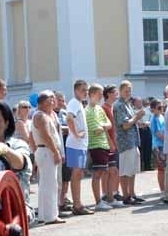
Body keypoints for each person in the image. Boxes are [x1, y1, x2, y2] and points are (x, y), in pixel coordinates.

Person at [32, 91, 65, 224]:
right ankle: (51, 216)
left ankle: (44, 215)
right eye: (51, 100)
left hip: (44, 151)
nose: (54, 102)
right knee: (50, 184)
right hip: (46, 151)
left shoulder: (41, 115)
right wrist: (55, 152)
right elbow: (46, 136)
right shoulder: (41, 116)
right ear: (45, 102)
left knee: (46, 184)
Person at [113, 80, 145, 205]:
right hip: (125, 142)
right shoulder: (119, 105)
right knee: (126, 171)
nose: (128, 93)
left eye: (130, 90)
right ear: (120, 91)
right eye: (126, 90)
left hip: (132, 141)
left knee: (132, 170)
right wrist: (137, 117)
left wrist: (137, 120)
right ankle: (126, 196)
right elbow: (125, 125)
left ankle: (132, 194)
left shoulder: (127, 104)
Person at [65, 80, 93, 215]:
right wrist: (76, 134)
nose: (85, 93)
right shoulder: (74, 103)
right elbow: (69, 118)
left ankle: (78, 203)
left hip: (80, 145)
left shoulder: (79, 103)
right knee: (76, 174)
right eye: (83, 90)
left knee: (79, 174)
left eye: (86, 90)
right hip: (75, 145)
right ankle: (77, 205)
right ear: (76, 90)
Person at [85, 84, 114, 211]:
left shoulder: (99, 109)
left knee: (103, 172)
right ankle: (98, 201)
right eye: (100, 93)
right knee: (97, 173)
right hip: (94, 144)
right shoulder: (87, 110)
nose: (102, 96)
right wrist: (101, 127)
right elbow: (93, 129)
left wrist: (102, 126)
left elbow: (108, 124)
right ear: (92, 95)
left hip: (103, 144)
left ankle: (105, 198)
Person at [101, 84, 122, 204]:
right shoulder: (104, 108)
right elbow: (105, 128)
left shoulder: (112, 108)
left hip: (115, 142)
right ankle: (106, 194)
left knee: (114, 170)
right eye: (115, 92)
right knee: (109, 170)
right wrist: (110, 142)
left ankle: (113, 193)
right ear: (108, 94)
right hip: (108, 144)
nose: (117, 94)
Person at [149, 99, 166, 193]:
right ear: (153, 109)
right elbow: (159, 134)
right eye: (159, 107)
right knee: (161, 169)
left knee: (165, 168)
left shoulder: (161, 117)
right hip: (158, 146)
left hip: (163, 145)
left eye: (162, 107)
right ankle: (162, 190)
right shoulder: (154, 119)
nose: (161, 109)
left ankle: (166, 188)